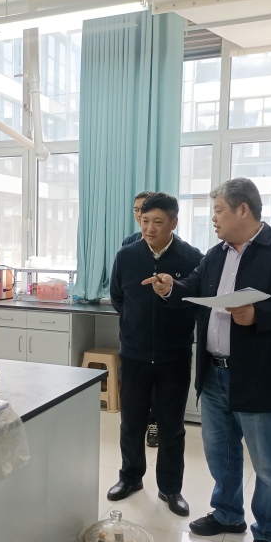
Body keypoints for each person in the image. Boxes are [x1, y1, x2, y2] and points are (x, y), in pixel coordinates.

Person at [146, 178, 271, 542]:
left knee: (267, 464)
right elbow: (194, 287)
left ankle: (269, 534)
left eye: (218, 210)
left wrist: (260, 313)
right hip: (214, 374)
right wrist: (170, 287)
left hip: (260, 375)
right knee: (220, 453)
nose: (214, 218)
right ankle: (227, 514)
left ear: (243, 209)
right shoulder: (216, 254)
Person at [108, 192, 203, 517]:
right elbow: (118, 298)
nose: (149, 228)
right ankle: (130, 477)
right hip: (134, 353)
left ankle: (170, 488)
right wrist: (134, 326)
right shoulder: (127, 256)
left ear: (174, 222)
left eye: (158, 222)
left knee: (171, 426)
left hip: (173, 354)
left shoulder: (191, 257)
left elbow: (195, 300)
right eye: (145, 220)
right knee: (131, 422)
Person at [121, 190, 159, 449]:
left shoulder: (173, 246)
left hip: (160, 327)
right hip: (134, 328)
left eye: (144, 209)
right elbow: (119, 290)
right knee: (134, 389)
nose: (140, 214)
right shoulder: (129, 244)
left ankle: (154, 423)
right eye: (137, 210)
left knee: (157, 385)